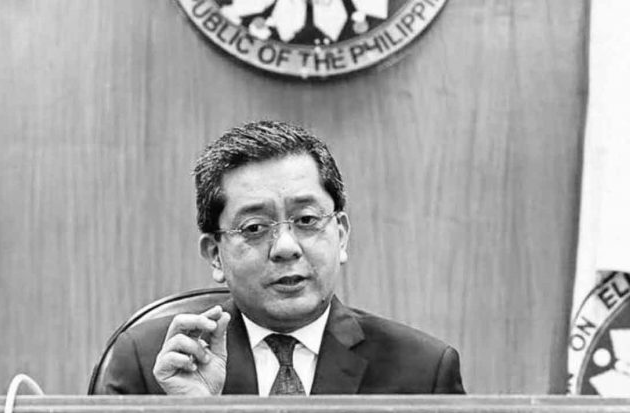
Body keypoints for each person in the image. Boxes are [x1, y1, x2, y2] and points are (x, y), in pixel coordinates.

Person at [103, 120, 465, 395]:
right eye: (255, 228)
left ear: (340, 235)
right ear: (215, 254)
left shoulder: (423, 371)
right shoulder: (151, 364)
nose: (286, 246)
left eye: (307, 220)